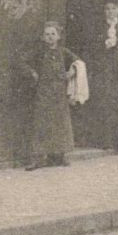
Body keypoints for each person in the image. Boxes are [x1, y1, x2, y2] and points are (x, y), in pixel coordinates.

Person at [24, 20, 78, 170]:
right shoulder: (39, 52)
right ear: (42, 37)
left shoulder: (63, 51)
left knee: (60, 122)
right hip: (43, 91)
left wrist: (71, 71)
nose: (50, 37)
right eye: (47, 34)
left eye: (53, 34)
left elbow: (78, 62)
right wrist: (32, 73)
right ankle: (39, 157)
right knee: (42, 122)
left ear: (58, 36)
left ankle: (59, 155)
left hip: (59, 91)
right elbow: (23, 62)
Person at [90, 0, 118, 154]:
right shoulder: (98, 27)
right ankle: (106, 141)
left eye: (113, 8)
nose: (110, 12)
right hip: (104, 69)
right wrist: (104, 43)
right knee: (106, 102)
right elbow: (91, 47)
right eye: (107, 9)